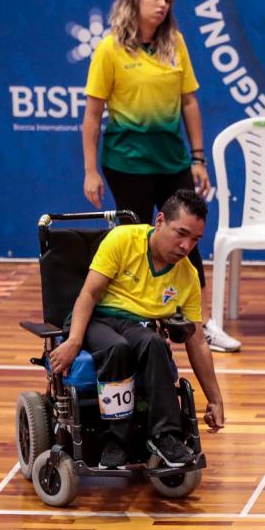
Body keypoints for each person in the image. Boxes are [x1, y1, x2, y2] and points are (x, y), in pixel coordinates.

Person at [80, 0, 241, 354]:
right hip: (127, 162)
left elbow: (189, 102)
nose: (163, 4)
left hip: (172, 160)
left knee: (189, 242)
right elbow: (91, 115)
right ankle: (132, 318)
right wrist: (90, 170)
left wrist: (198, 158)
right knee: (136, 241)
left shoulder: (175, 44)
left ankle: (200, 323)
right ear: (135, 0)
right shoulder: (109, 50)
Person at [49, 189, 225, 469]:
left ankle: (165, 437)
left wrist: (215, 398)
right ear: (160, 221)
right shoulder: (123, 239)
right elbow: (89, 295)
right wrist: (72, 341)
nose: (186, 246)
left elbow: (197, 341)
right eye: (181, 233)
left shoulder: (188, 275)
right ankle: (115, 442)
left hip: (136, 327)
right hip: (97, 317)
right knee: (117, 348)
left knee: (154, 344)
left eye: (195, 239)